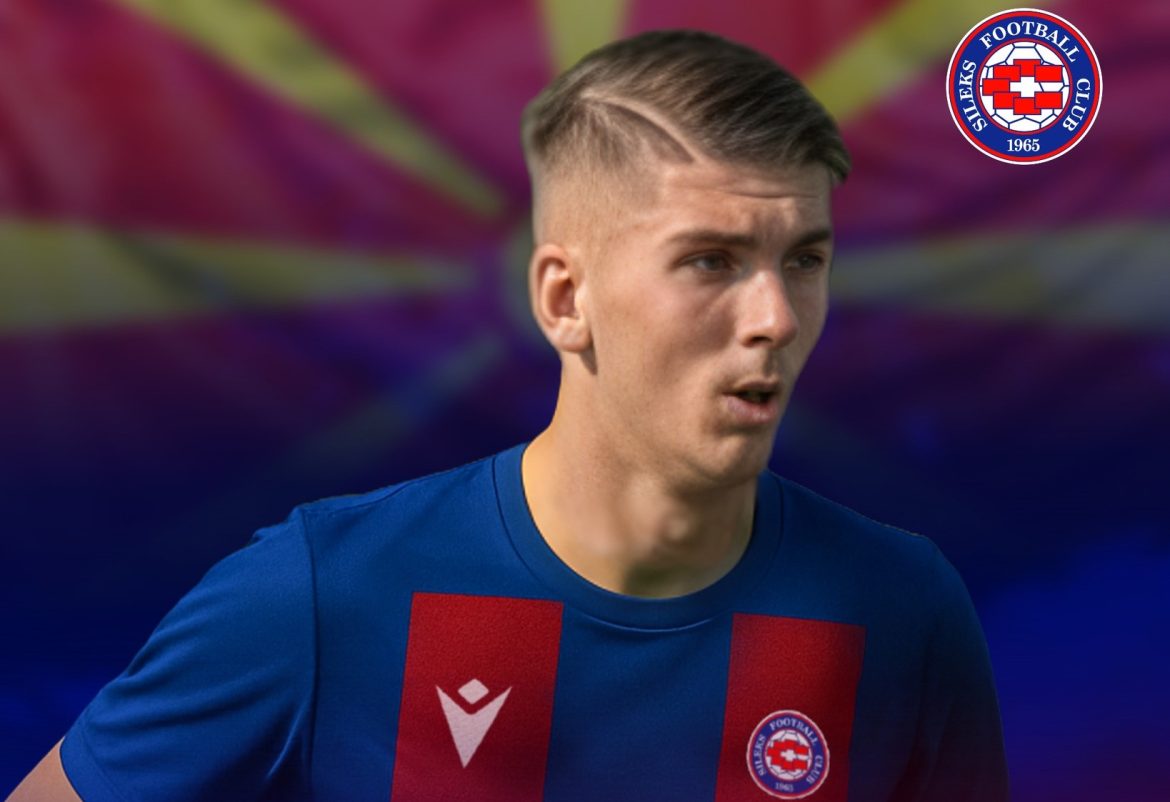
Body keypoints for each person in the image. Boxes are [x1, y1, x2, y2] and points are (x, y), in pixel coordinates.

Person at [7, 28, 1008, 802]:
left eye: (805, 259)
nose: (776, 317)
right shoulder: (321, 593)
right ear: (565, 299)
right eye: (711, 261)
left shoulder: (905, 610)